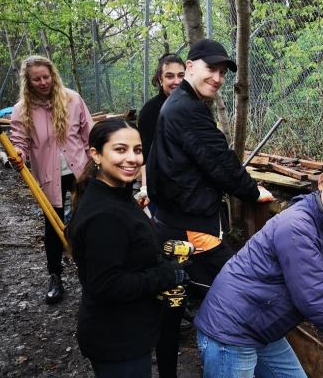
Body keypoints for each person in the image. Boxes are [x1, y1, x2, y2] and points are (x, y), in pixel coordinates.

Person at [194, 154, 323, 378]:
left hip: (261, 328)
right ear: (322, 182)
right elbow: (314, 299)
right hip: (230, 329)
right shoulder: (297, 225)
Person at [146, 38, 273, 378]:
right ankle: (229, 362)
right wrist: (252, 192)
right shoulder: (188, 109)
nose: (217, 78)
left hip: (171, 224)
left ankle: (169, 373)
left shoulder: (179, 101)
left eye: (221, 73)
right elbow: (220, 161)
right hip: (190, 231)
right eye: (211, 69)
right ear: (191, 67)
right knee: (238, 292)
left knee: (172, 302)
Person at [66, 118, 191, 378]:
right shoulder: (105, 214)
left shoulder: (117, 194)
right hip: (116, 338)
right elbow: (107, 284)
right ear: (96, 155)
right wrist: (167, 275)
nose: (132, 158)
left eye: (137, 150)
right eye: (120, 149)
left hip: (129, 329)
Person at [9, 55, 94, 304]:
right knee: (53, 227)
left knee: (88, 220)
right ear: (28, 82)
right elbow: (19, 142)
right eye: (37, 79)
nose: (43, 82)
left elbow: (89, 134)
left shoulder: (72, 99)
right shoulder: (22, 109)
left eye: (46, 77)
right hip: (47, 175)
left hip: (80, 170)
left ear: (53, 75)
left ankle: (92, 273)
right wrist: (18, 156)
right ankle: (55, 277)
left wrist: (96, 162)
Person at [135, 53, 186, 215]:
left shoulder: (194, 105)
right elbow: (146, 152)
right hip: (161, 187)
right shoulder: (150, 110)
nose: (176, 81)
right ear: (160, 79)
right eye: (170, 76)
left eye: (181, 76)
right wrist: (145, 188)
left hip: (188, 185)